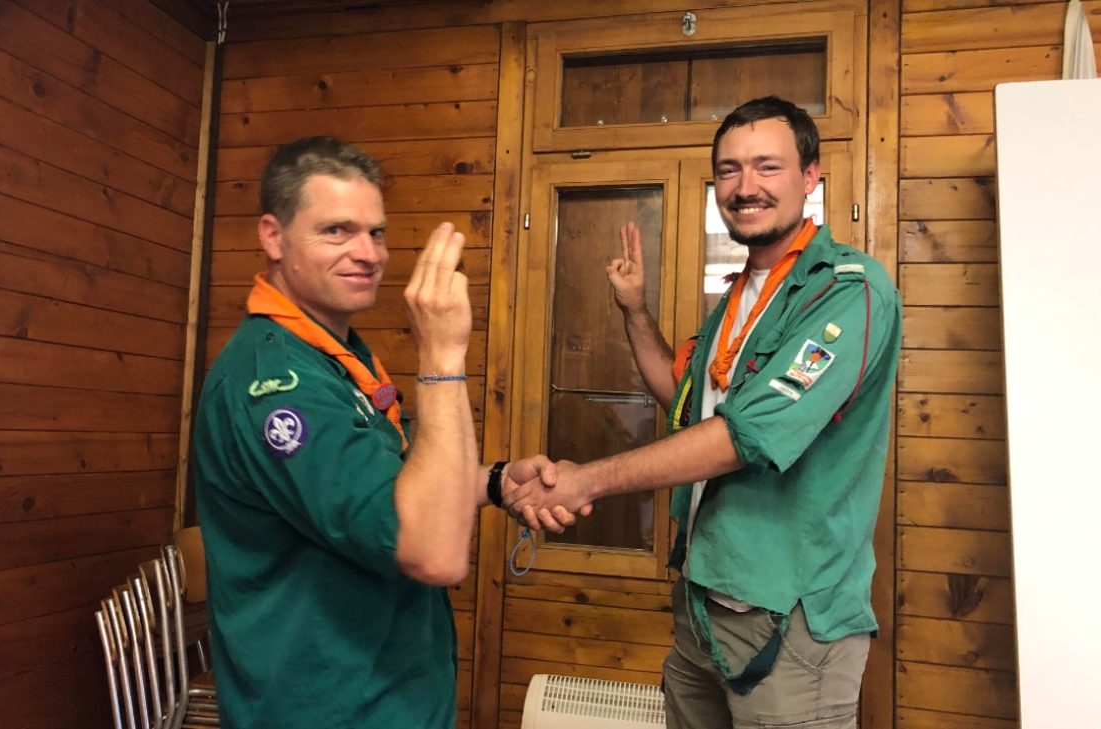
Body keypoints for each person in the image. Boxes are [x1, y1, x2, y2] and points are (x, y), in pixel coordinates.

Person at [504, 96, 902, 729]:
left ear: (811, 177)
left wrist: (586, 480)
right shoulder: (737, 298)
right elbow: (687, 402)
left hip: (788, 621)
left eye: (767, 167)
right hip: (702, 604)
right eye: (729, 170)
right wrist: (634, 310)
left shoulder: (847, 290)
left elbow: (743, 436)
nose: (746, 188)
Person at [191, 137, 571, 729]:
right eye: (336, 231)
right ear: (273, 236)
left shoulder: (336, 354)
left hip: (391, 697)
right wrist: (443, 355)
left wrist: (495, 483)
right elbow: (435, 553)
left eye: (376, 233)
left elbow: (391, 489)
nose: (367, 253)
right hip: (327, 709)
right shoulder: (277, 386)